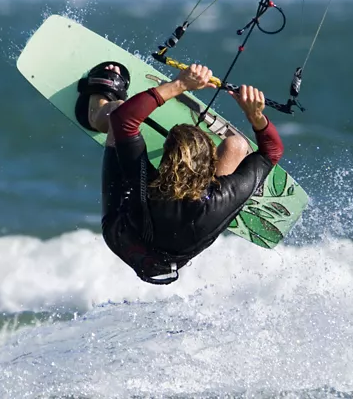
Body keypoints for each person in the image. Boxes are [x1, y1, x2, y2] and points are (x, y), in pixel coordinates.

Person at [74, 61, 284, 284]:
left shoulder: (146, 181)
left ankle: (96, 113)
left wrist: (180, 84)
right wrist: (256, 116)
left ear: (166, 160)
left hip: (124, 237)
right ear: (211, 163)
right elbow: (272, 151)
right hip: (172, 260)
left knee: (115, 111)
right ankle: (248, 180)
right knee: (238, 147)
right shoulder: (223, 197)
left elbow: (123, 120)